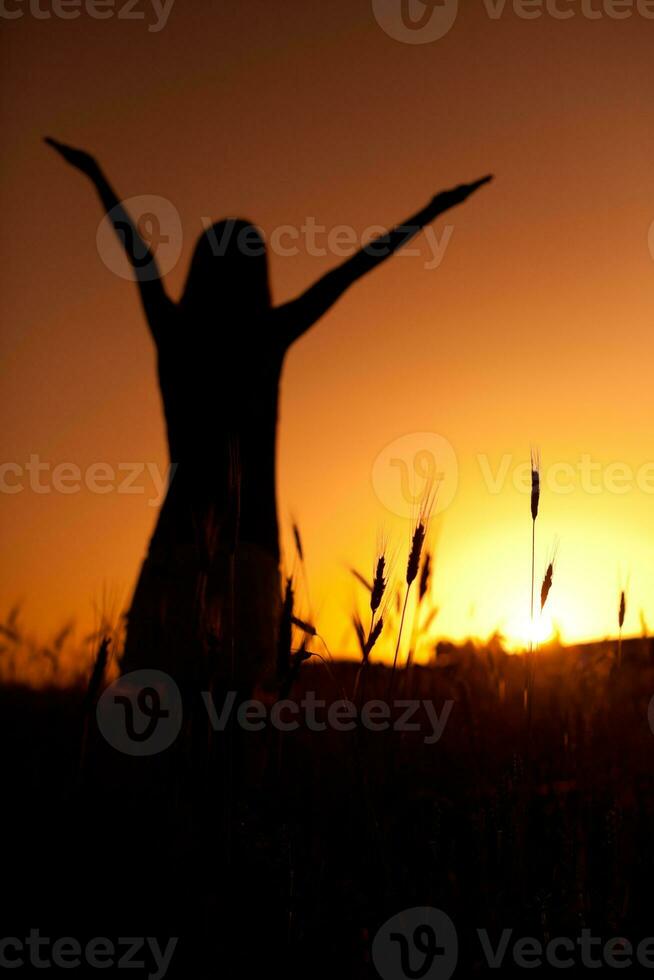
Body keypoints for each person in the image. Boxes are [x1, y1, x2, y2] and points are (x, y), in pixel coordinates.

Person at [46, 136, 492, 688]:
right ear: (257, 274)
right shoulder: (267, 336)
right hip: (253, 558)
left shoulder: (177, 334)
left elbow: (138, 255)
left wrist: (97, 177)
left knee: (152, 716)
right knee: (238, 724)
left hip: (174, 552)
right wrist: (432, 210)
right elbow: (352, 270)